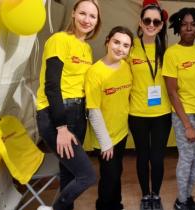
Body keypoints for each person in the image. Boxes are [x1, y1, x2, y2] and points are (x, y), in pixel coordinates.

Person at [35, 0, 101, 209]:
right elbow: (52, 85)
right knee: (87, 175)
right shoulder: (59, 40)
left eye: (92, 16)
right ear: (73, 13)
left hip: (77, 113)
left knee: (69, 173)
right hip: (57, 114)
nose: (87, 20)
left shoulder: (86, 48)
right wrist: (61, 128)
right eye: (83, 13)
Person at [162, 7, 195, 210]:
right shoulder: (172, 53)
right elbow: (172, 92)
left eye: (193, 24)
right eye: (184, 24)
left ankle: (188, 196)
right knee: (186, 159)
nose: (189, 28)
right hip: (184, 115)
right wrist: (187, 124)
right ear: (178, 27)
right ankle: (181, 201)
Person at [128, 2, 171, 210]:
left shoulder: (167, 50)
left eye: (156, 21)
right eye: (147, 20)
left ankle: (156, 194)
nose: (151, 24)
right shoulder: (131, 47)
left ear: (161, 25)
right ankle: (145, 195)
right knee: (142, 156)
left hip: (162, 114)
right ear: (140, 22)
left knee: (157, 158)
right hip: (137, 113)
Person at [84, 26, 134, 210]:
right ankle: (104, 206)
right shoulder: (95, 72)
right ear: (107, 41)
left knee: (117, 172)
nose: (120, 48)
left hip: (121, 133)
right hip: (105, 138)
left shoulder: (126, 67)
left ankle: (116, 204)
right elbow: (93, 110)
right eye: (117, 42)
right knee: (109, 178)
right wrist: (105, 142)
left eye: (126, 45)